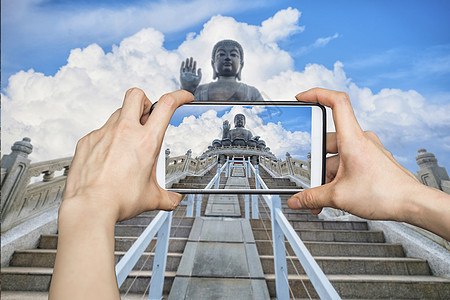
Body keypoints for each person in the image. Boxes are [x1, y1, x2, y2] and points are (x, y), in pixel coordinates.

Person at [49, 87, 450, 299]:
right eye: (237, 119)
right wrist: (415, 200)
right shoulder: (228, 129)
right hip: (224, 153)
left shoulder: (247, 128)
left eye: (241, 118)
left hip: (252, 155)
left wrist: (89, 210)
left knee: (251, 143)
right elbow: (217, 143)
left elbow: (257, 143)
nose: (239, 121)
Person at [180, 39, 263, 101]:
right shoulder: (200, 91)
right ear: (213, 63)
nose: (227, 58)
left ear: (241, 64)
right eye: (221, 54)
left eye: (233, 54)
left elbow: (262, 115)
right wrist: (187, 89)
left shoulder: (252, 92)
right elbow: (183, 111)